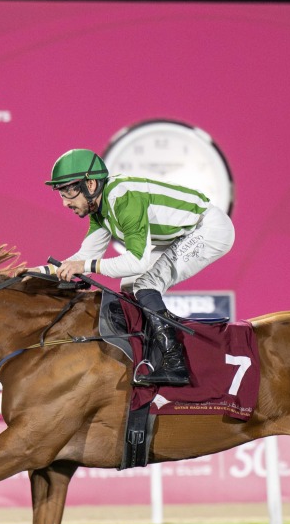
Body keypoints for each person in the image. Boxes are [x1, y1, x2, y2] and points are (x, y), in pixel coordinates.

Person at [21, 148, 235, 386]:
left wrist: (85, 265)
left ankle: (176, 363)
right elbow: (83, 259)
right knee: (131, 286)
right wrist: (38, 272)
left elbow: (136, 261)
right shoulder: (99, 209)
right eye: (61, 193)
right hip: (183, 234)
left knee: (146, 284)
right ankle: (151, 356)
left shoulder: (123, 198)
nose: (64, 202)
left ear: (90, 185)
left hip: (208, 229)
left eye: (69, 191)